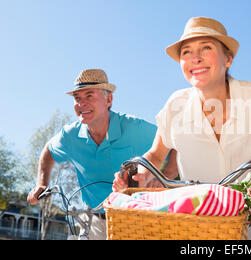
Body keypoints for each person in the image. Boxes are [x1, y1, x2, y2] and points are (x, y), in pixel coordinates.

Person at [113, 17, 251, 239]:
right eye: (186, 52)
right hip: (207, 220)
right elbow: (156, 155)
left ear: (228, 59)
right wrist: (142, 175)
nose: (195, 58)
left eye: (206, 47)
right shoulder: (175, 106)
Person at [27, 69, 161, 240]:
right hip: (93, 220)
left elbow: (170, 142)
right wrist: (42, 183)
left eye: (89, 96)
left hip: (134, 220)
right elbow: (48, 151)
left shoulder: (135, 128)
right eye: (77, 98)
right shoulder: (70, 136)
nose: (81, 103)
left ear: (108, 99)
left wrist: (162, 177)